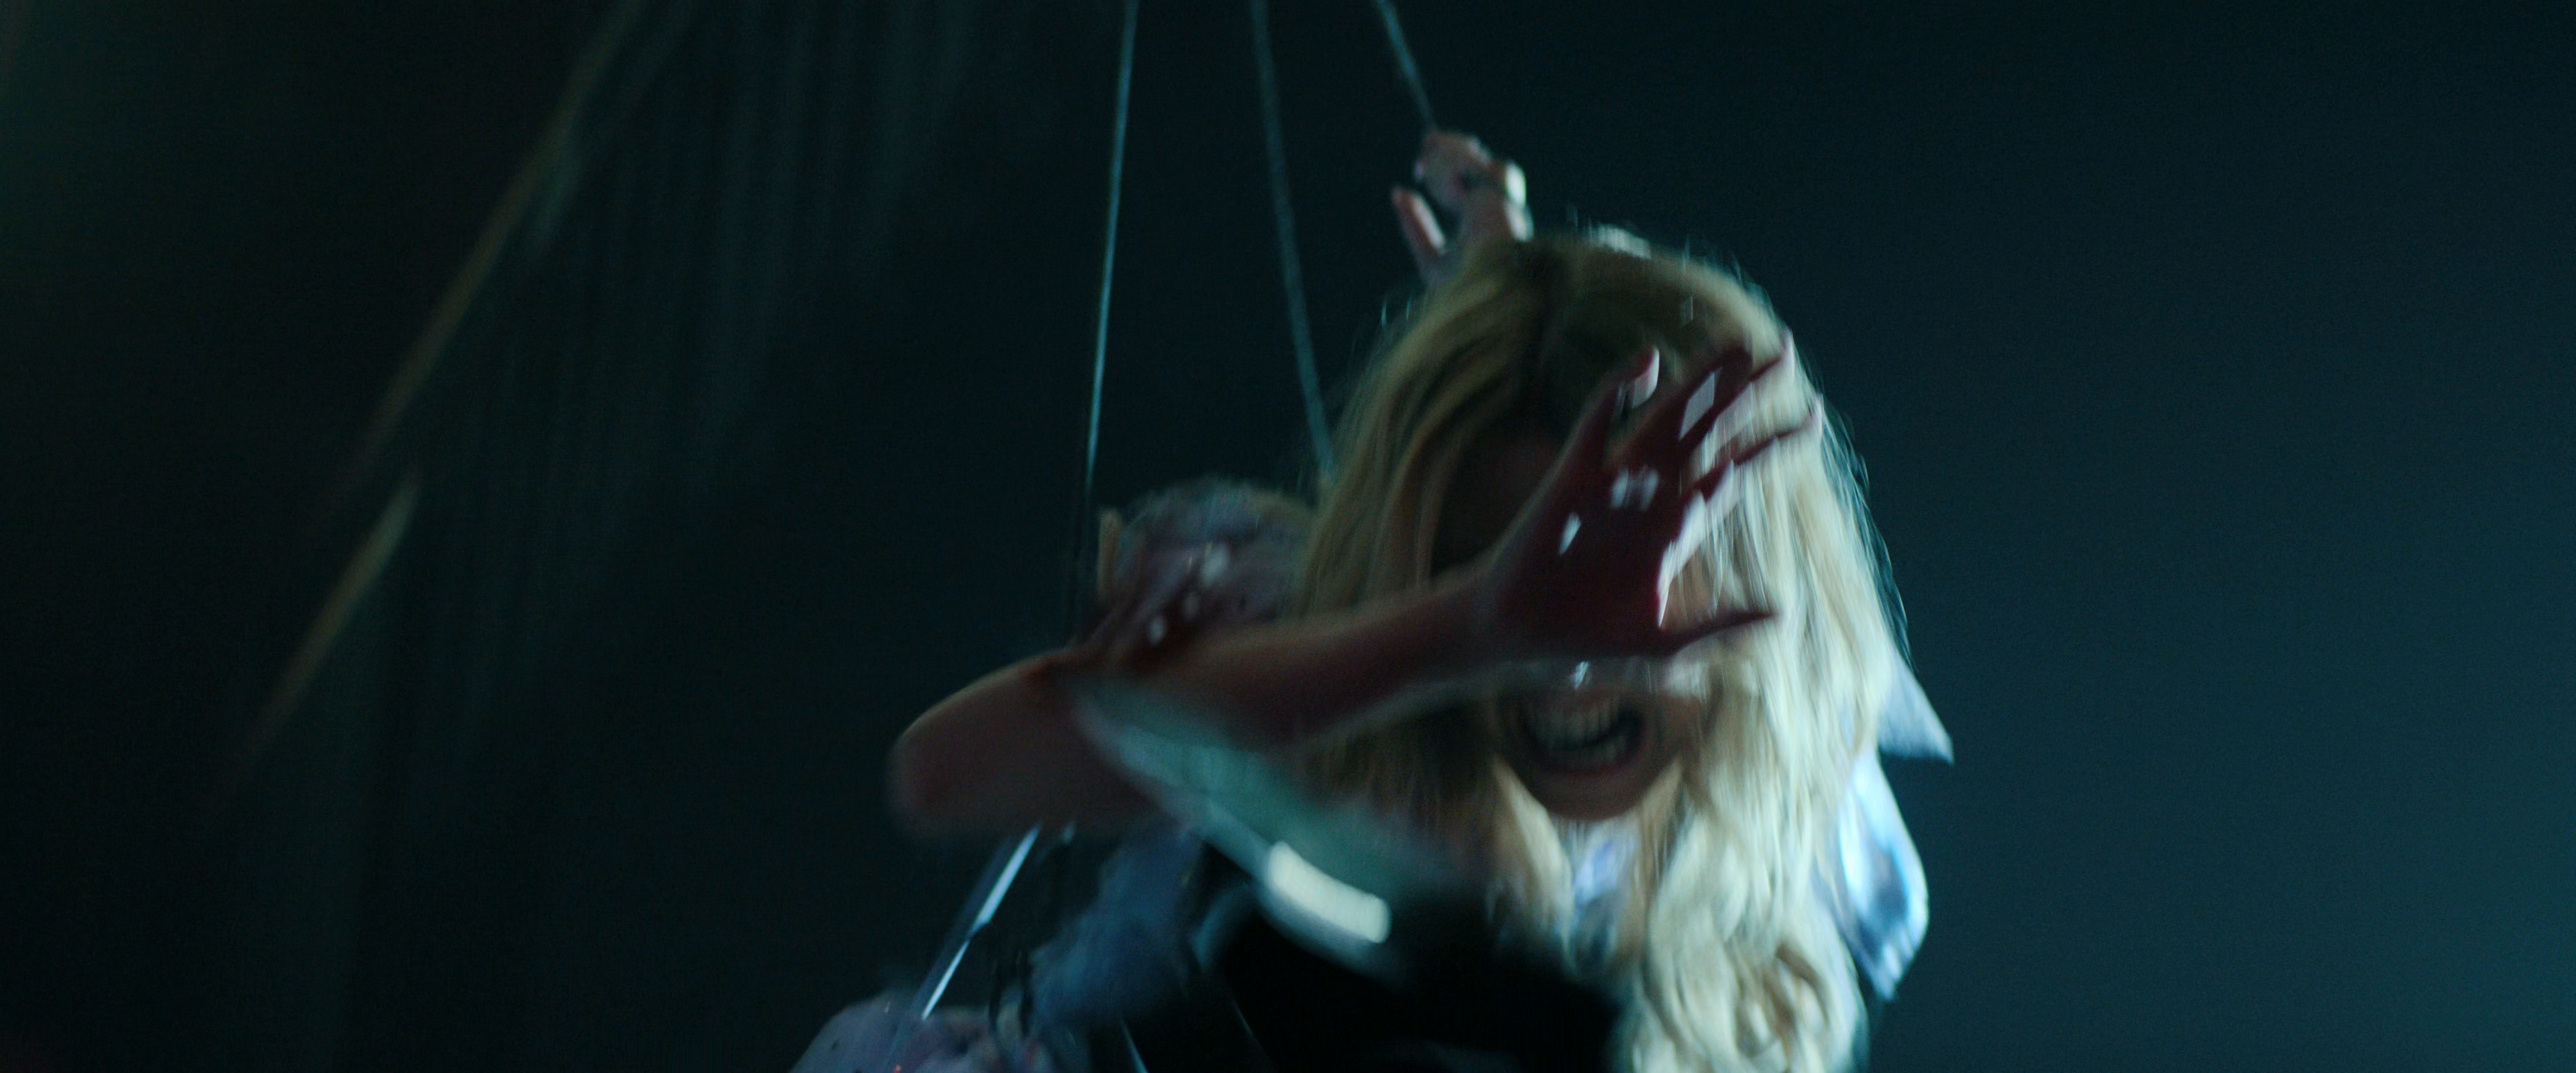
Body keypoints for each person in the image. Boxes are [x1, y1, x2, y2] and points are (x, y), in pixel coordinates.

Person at [853, 132, 1943, 1073]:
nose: (1564, 662)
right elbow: (945, 775)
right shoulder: (1314, 667)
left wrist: (1526, 302)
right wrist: (1467, 631)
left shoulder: (1791, 807)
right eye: (1495, 568)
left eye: (1615, 582)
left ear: (1752, 589)